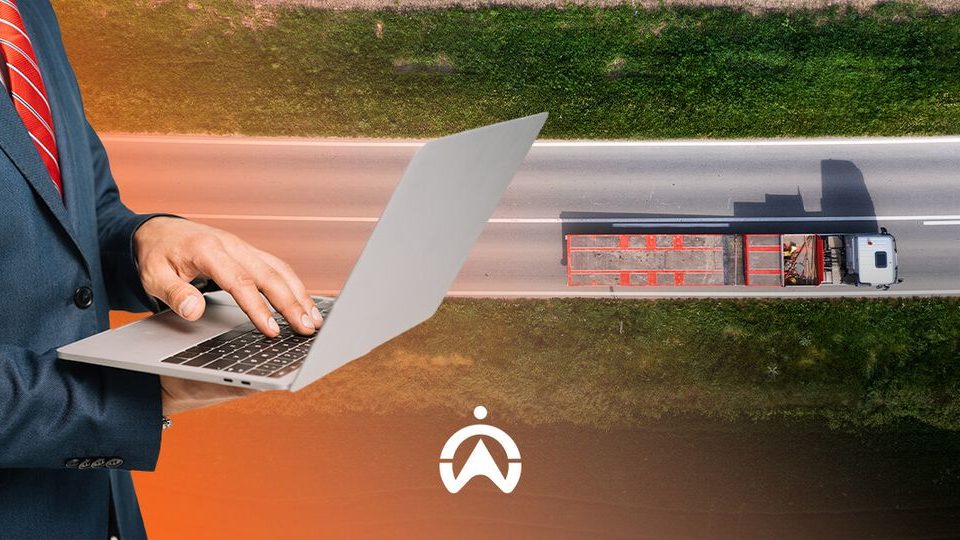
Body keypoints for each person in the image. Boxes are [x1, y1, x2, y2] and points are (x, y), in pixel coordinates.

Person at [0, 1, 321, 537]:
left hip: (97, 510)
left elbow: (78, 211)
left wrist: (146, 239)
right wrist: (136, 395)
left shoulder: (25, 10)